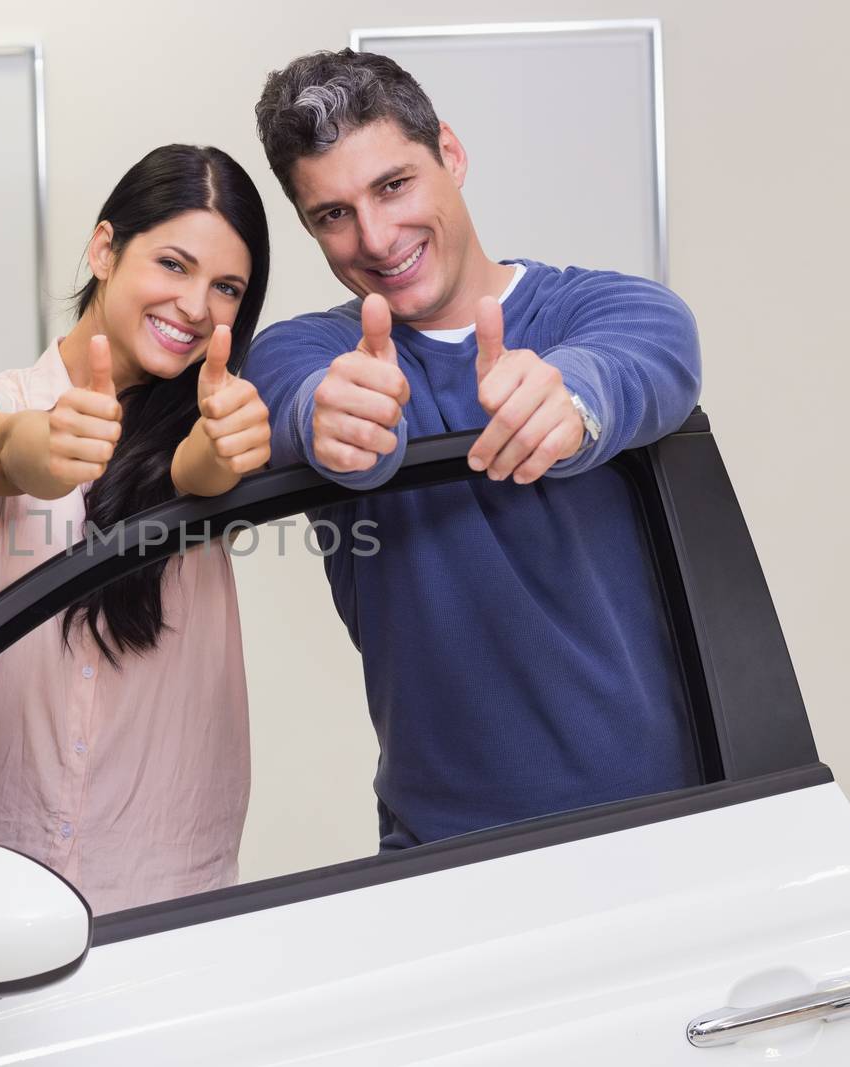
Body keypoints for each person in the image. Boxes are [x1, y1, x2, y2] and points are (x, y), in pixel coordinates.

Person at [245, 50, 704, 850]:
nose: (377, 238)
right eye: (334, 214)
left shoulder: (600, 311)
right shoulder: (309, 355)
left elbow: (656, 352)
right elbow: (292, 402)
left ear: (450, 154)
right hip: (438, 848)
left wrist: (574, 398)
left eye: (394, 186)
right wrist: (334, 420)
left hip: (657, 823)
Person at [0, 144, 272, 912]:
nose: (198, 306)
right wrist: (28, 449)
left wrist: (207, 459)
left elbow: (204, 473)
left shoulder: (225, 422)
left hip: (162, 885)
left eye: (226, 287)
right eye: (173, 264)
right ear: (105, 249)